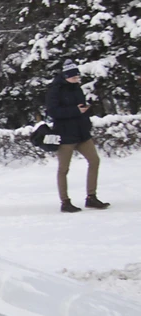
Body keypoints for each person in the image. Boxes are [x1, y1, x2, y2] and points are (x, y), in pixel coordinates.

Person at [45, 59, 110, 213]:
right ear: (65, 76)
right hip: (65, 134)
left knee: (94, 161)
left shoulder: (77, 89)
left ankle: (91, 197)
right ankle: (65, 201)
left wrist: (86, 112)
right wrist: (75, 110)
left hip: (82, 133)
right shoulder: (54, 90)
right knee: (63, 169)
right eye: (73, 78)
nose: (76, 80)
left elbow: (80, 108)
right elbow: (53, 112)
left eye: (78, 78)